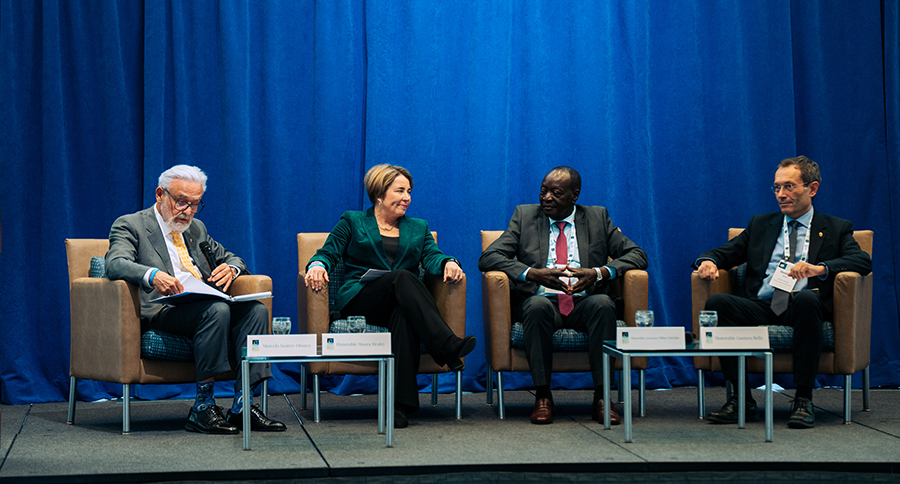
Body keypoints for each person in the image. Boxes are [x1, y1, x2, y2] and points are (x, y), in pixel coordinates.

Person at [105, 165, 286, 435]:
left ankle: (243, 404)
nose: (187, 211)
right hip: (164, 308)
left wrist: (232, 269)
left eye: (195, 204)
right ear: (159, 194)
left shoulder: (196, 228)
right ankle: (203, 407)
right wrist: (152, 274)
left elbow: (233, 257)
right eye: (181, 202)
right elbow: (115, 263)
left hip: (203, 303)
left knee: (255, 311)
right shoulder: (131, 225)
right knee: (216, 310)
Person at [694, 156, 872, 429]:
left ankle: (803, 399)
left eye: (788, 186)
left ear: (812, 189)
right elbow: (724, 252)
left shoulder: (835, 228)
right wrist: (708, 261)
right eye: (776, 188)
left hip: (805, 307)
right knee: (718, 302)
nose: (781, 194)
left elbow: (862, 261)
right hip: (764, 304)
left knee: (806, 297)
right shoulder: (761, 224)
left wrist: (819, 268)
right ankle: (741, 400)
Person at [304, 164, 476, 428]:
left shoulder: (418, 228)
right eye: (400, 190)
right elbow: (328, 252)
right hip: (362, 299)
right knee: (403, 276)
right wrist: (317, 265)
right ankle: (446, 344)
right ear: (379, 195)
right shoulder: (353, 221)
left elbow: (432, 256)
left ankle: (398, 406)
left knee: (404, 316)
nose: (407, 197)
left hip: (399, 301)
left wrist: (449, 262)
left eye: (409, 191)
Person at [478, 166, 648, 425]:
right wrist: (532, 274)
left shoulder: (597, 217)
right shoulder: (525, 216)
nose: (546, 198)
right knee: (535, 306)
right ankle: (543, 397)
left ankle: (602, 398)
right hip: (543, 301)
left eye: (556, 193)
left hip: (584, 301)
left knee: (603, 304)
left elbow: (637, 255)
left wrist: (599, 273)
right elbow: (489, 257)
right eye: (543, 191)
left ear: (574, 196)